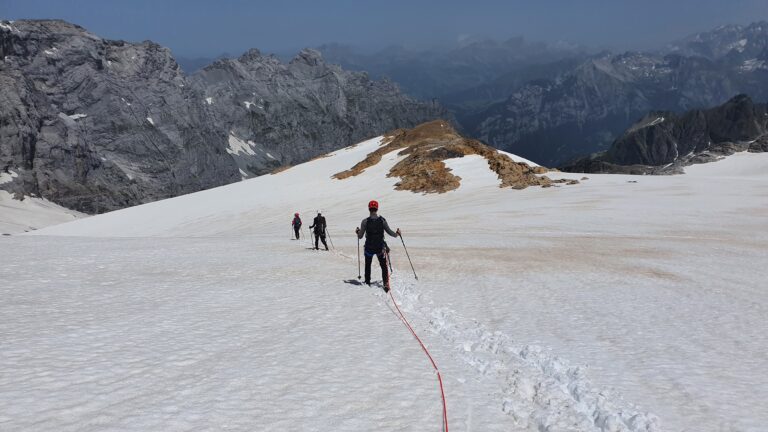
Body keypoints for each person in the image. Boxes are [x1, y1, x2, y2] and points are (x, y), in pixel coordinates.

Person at [356, 200, 400, 292]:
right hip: (380, 247)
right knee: (383, 266)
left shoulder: (365, 221)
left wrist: (357, 232)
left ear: (369, 209)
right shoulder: (382, 220)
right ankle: (386, 283)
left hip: (369, 248)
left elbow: (360, 236)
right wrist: (397, 234)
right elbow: (390, 232)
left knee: (368, 265)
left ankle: (367, 282)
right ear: (377, 209)